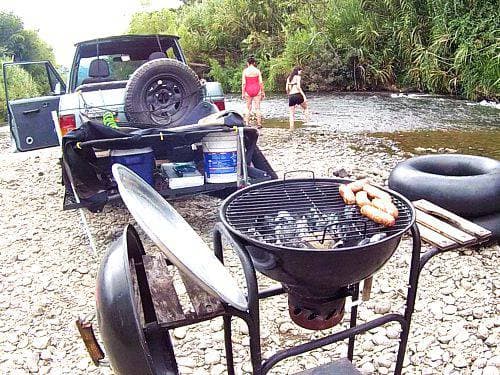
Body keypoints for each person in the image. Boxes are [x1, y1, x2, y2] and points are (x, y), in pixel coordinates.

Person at [241, 56, 265, 128]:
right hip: (257, 89)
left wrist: (243, 93)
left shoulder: (245, 71)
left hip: (248, 89)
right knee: (257, 108)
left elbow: (243, 83)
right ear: (254, 63)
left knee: (248, 107)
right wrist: (263, 91)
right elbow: (260, 82)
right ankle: (259, 124)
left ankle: (247, 123)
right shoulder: (257, 71)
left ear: (247, 63)